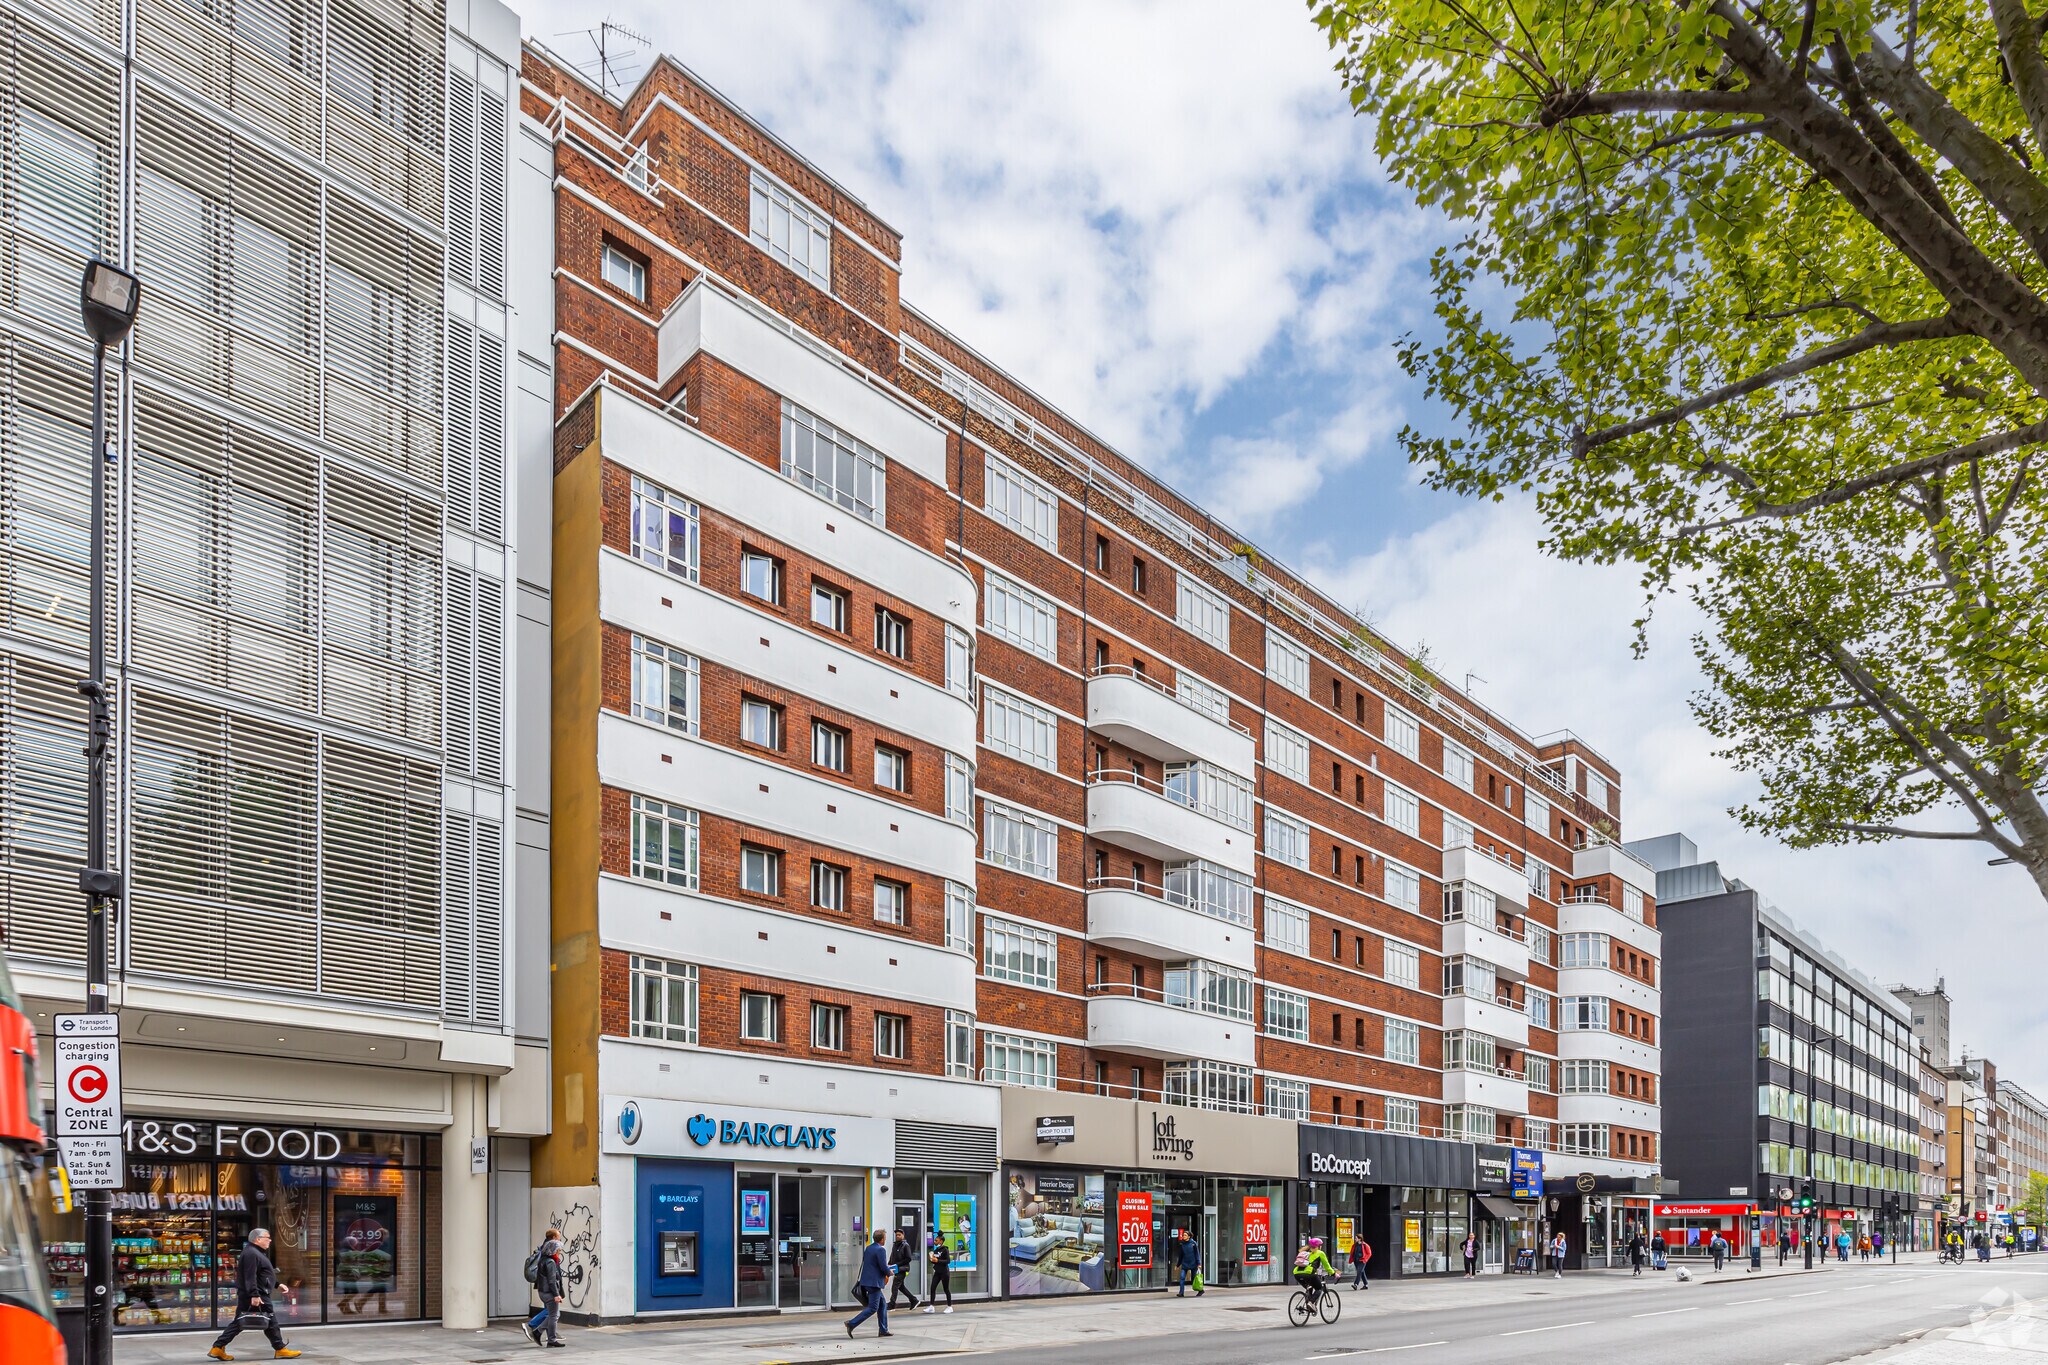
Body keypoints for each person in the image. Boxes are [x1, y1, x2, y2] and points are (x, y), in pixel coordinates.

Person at [207, 1228, 301, 1360]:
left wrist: (277, 1284)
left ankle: (218, 1348)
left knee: (241, 1322)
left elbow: (262, 1274)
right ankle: (280, 1349)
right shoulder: (252, 1253)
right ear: (258, 1239)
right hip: (257, 1294)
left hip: (255, 1293)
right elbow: (249, 1277)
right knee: (270, 1321)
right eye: (267, 1237)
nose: (270, 1240)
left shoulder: (256, 1252)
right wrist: (255, 1295)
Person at [521, 1229, 566, 1348]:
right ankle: (538, 1331)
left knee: (553, 1314)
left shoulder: (544, 1259)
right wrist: (556, 1294)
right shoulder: (550, 1262)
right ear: (553, 1249)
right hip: (549, 1292)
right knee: (553, 1315)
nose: (560, 1251)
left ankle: (548, 1336)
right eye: (558, 1249)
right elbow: (552, 1280)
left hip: (543, 1290)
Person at [845, 1230, 893, 1338]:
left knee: (882, 1304)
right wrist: (889, 1272)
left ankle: (883, 1330)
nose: (885, 1240)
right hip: (874, 1283)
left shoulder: (869, 1248)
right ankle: (851, 1323)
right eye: (885, 1238)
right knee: (873, 1307)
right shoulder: (881, 1250)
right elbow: (883, 1266)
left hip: (866, 1281)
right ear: (882, 1239)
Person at [1292, 1237, 1335, 1308]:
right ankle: (1311, 1303)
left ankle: (1307, 1306)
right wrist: (1333, 1273)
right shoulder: (1320, 1253)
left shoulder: (1306, 1253)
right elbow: (1327, 1266)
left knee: (1309, 1287)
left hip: (1297, 1274)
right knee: (1319, 1288)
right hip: (1309, 1274)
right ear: (1318, 1246)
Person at [888, 1230, 920, 1311]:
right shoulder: (895, 1245)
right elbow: (892, 1256)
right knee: (901, 1287)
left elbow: (908, 1258)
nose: (897, 1236)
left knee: (895, 1286)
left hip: (903, 1269)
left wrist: (897, 1265)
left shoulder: (905, 1245)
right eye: (896, 1235)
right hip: (896, 1269)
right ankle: (914, 1300)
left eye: (899, 1235)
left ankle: (892, 1305)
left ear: (903, 1235)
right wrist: (889, 1264)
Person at [921, 1234, 954, 1314]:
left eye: (936, 1240)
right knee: (932, 1288)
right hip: (937, 1272)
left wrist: (937, 1261)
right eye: (935, 1240)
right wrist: (931, 1259)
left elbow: (947, 1261)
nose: (934, 1242)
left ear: (941, 1241)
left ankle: (949, 1306)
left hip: (944, 1272)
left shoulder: (945, 1250)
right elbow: (934, 1261)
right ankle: (931, 1306)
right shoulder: (935, 1250)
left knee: (946, 1289)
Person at [1177, 1227, 1204, 1296]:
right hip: (1185, 1264)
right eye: (1183, 1235)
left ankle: (1201, 1290)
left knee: (1195, 1278)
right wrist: (1178, 1264)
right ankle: (1181, 1293)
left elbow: (1197, 1253)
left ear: (1189, 1236)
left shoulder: (1193, 1243)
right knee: (1182, 1277)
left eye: (1185, 1235)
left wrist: (1199, 1263)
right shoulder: (1182, 1244)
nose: (1183, 1236)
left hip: (1193, 1263)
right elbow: (1181, 1255)